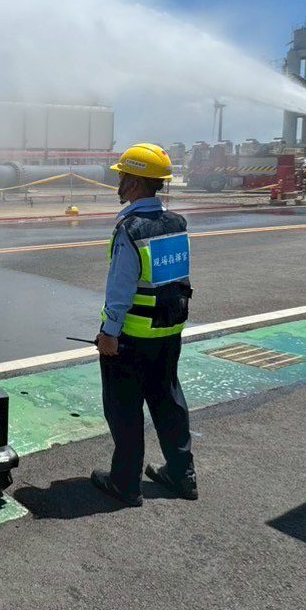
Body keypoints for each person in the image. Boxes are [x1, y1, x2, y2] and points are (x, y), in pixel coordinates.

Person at [90, 142, 198, 506]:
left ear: (136, 181)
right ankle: (182, 475)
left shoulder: (131, 229)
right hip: (169, 332)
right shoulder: (176, 223)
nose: (118, 181)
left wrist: (109, 334)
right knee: (169, 401)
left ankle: (125, 483)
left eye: (122, 175)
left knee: (124, 409)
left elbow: (120, 289)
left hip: (132, 338)